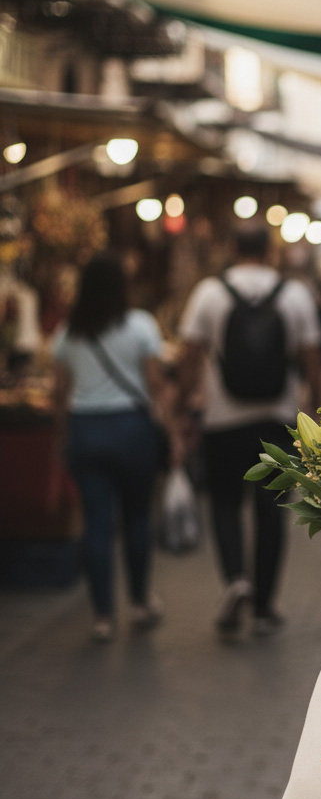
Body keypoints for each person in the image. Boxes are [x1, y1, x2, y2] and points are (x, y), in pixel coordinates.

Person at [177, 227, 321, 637]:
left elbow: (190, 355)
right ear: (270, 250)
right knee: (271, 512)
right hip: (278, 420)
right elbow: (312, 359)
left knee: (224, 502)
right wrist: (319, 414)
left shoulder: (209, 292)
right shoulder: (294, 295)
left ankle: (235, 581)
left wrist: (183, 406)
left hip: (222, 421)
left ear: (231, 248)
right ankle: (262, 607)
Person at [53, 254, 178, 642]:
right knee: (137, 517)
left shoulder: (67, 332)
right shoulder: (139, 325)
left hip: (87, 431)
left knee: (96, 524)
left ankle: (102, 617)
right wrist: (171, 430)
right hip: (131, 429)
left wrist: (62, 440)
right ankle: (139, 603)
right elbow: (156, 385)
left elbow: (59, 394)